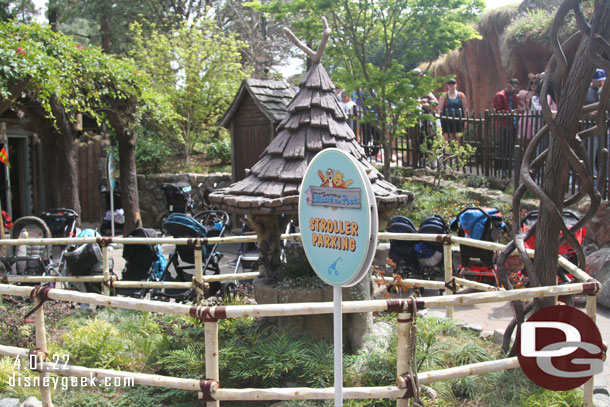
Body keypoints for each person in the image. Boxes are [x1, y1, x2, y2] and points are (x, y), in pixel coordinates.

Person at [493, 78, 520, 173]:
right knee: (503, 145)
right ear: (509, 86)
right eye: (514, 87)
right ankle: (501, 166)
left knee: (511, 145)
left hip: (513, 123)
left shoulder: (514, 96)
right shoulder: (500, 95)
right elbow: (497, 110)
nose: (516, 90)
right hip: (503, 124)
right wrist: (510, 112)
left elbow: (516, 108)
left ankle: (508, 165)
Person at [584, 68, 606, 178]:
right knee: (590, 155)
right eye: (598, 80)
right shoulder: (588, 92)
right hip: (590, 127)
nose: (600, 83)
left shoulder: (604, 92)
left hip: (602, 127)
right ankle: (592, 177)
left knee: (602, 155)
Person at [436, 78, 467, 143]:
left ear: (456, 85)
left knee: (459, 138)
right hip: (447, 120)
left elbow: (465, 109)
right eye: (449, 84)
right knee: (447, 138)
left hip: (459, 120)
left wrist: (466, 120)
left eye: (453, 84)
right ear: (447, 85)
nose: (451, 86)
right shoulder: (443, 96)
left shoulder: (461, 95)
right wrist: (439, 121)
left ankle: (459, 152)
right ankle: (447, 152)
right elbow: (440, 109)